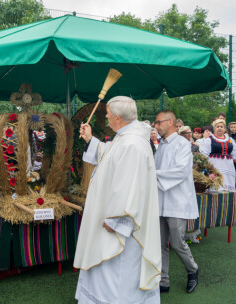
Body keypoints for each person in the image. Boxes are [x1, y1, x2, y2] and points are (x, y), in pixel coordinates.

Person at [74, 96, 161, 303]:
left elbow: (130, 186)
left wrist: (118, 220)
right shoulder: (125, 137)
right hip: (111, 214)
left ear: (118, 117)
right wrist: (90, 139)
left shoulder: (132, 144)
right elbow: (108, 155)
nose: (106, 118)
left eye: (108, 115)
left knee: (117, 270)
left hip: (120, 223)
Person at [154, 110, 199, 294]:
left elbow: (181, 171)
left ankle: (193, 270)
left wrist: (152, 175)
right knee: (159, 243)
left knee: (177, 242)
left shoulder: (182, 143)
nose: (156, 126)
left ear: (170, 122)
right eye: (155, 123)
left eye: (158, 122)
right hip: (160, 201)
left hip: (177, 201)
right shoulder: (161, 146)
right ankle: (163, 280)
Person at [199, 119, 236, 191]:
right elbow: (204, 155)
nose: (219, 128)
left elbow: (234, 155)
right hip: (215, 167)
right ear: (214, 128)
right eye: (217, 126)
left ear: (224, 128)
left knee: (227, 187)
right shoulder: (209, 139)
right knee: (215, 188)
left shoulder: (230, 139)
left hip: (228, 167)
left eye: (221, 126)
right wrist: (208, 168)